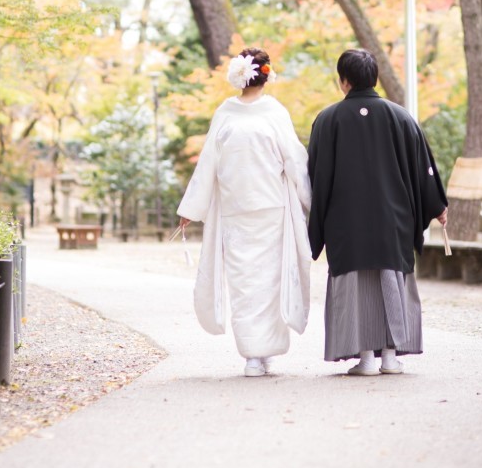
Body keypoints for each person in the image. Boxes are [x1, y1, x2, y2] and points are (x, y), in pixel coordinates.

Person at [307, 48, 448, 376]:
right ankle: (390, 356)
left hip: (346, 221)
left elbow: (316, 176)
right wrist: (437, 205)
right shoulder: (401, 117)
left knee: (355, 286)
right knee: (391, 280)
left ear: (344, 82)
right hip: (393, 219)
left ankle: (366, 358)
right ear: (375, 79)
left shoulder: (328, 120)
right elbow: (422, 169)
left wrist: (313, 225)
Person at [178, 47, 312, 377]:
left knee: (249, 282)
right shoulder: (272, 112)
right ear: (266, 76)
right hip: (263, 208)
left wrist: (191, 207)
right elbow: (295, 161)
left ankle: (256, 354)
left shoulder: (228, 113)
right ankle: (256, 352)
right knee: (258, 281)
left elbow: (208, 161)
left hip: (249, 210)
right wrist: (312, 200)